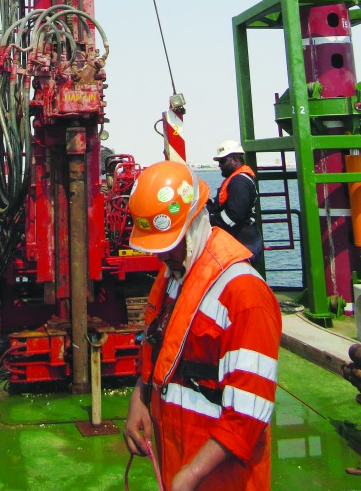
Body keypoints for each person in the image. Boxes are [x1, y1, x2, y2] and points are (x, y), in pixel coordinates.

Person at [123, 160, 281, 491]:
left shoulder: (244, 296)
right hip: (179, 464)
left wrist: (194, 473)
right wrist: (140, 397)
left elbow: (248, 414)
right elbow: (159, 349)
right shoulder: (172, 278)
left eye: (168, 246)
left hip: (223, 479)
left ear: (194, 226)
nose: (162, 258)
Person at [206, 140, 263, 263]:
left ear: (235, 160)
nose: (219, 165)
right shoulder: (235, 180)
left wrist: (207, 221)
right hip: (242, 241)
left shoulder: (239, 182)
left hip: (244, 244)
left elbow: (234, 216)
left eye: (222, 161)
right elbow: (223, 207)